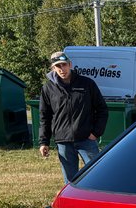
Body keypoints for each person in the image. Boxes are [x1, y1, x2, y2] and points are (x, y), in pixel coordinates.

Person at [38, 51, 108, 182]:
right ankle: (73, 201)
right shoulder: (48, 88)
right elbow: (44, 117)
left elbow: (102, 109)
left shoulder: (87, 84)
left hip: (86, 139)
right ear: (53, 68)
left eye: (64, 65)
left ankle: (97, 200)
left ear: (70, 64)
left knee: (98, 174)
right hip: (63, 141)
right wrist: (44, 142)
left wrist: (96, 132)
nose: (61, 69)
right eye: (58, 66)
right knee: (70, 181)